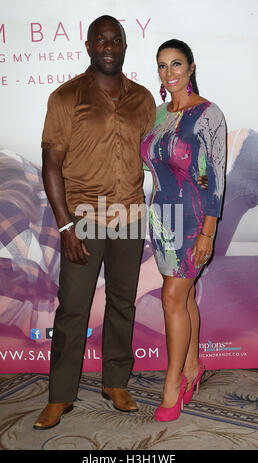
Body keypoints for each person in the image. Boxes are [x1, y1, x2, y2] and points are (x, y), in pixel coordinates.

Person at [33, 15, 157, 430]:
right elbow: (51, 164)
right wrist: (66, 226)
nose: (108, 46)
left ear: (125, 46)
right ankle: (60, 395)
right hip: (84, 218)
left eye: (115, 39)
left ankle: (115, 382)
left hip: (130, 216)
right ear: (88, 47)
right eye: (100, 40)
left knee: (123, 303)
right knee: (73, 308)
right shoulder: (66, 97)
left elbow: (157, 156)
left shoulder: (142, 99)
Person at [140, 39, 226, 421]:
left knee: (172, 298)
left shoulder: (208, 114)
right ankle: (193, 367)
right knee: (184, 294)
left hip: (193, 219)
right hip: (161, 218)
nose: (169, 72)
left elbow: (215, 180)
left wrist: (208, 232)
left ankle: (172, 384)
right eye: (162, 65)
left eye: (176, 64)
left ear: (191, 67)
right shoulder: (157, 115)